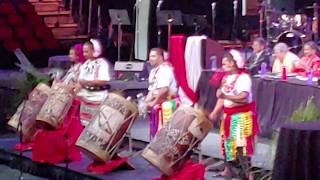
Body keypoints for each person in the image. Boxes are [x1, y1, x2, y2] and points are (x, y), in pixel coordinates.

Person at [209, 50, 259, 179]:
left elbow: (243, 97)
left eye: (225, 64)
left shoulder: (243, 78)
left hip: (241, 117)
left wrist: (225, 95)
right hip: (228, 116)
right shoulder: (226, 78)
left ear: (233, 63)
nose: (223, 66)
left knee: (242, 147)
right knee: (227, 145)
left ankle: (249, 175)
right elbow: (221, 98)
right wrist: (215, 111)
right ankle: (228, 170)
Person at [76, 39, 114, 126]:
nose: (84, 54)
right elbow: (80, 82)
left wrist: (87, 82)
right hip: (85, 97)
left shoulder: (102, 63)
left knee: (96, 124)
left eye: (86, 51)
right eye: (83, 52)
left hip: (98, 97)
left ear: (94, 51)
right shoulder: (85, 64)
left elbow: (103, 81)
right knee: (84, 123)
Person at [145, 48, 178, 137]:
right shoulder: (153, 71)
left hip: (167, 106)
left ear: (160, 57)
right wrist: (145, 103)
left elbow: (164, 90)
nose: (150, 58)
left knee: (165, 134)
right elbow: (152, 91)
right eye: (150, 56)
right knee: (156, 134)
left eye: (153, 56)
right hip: (158, 105)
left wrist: (153, 103)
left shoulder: (165, 70)